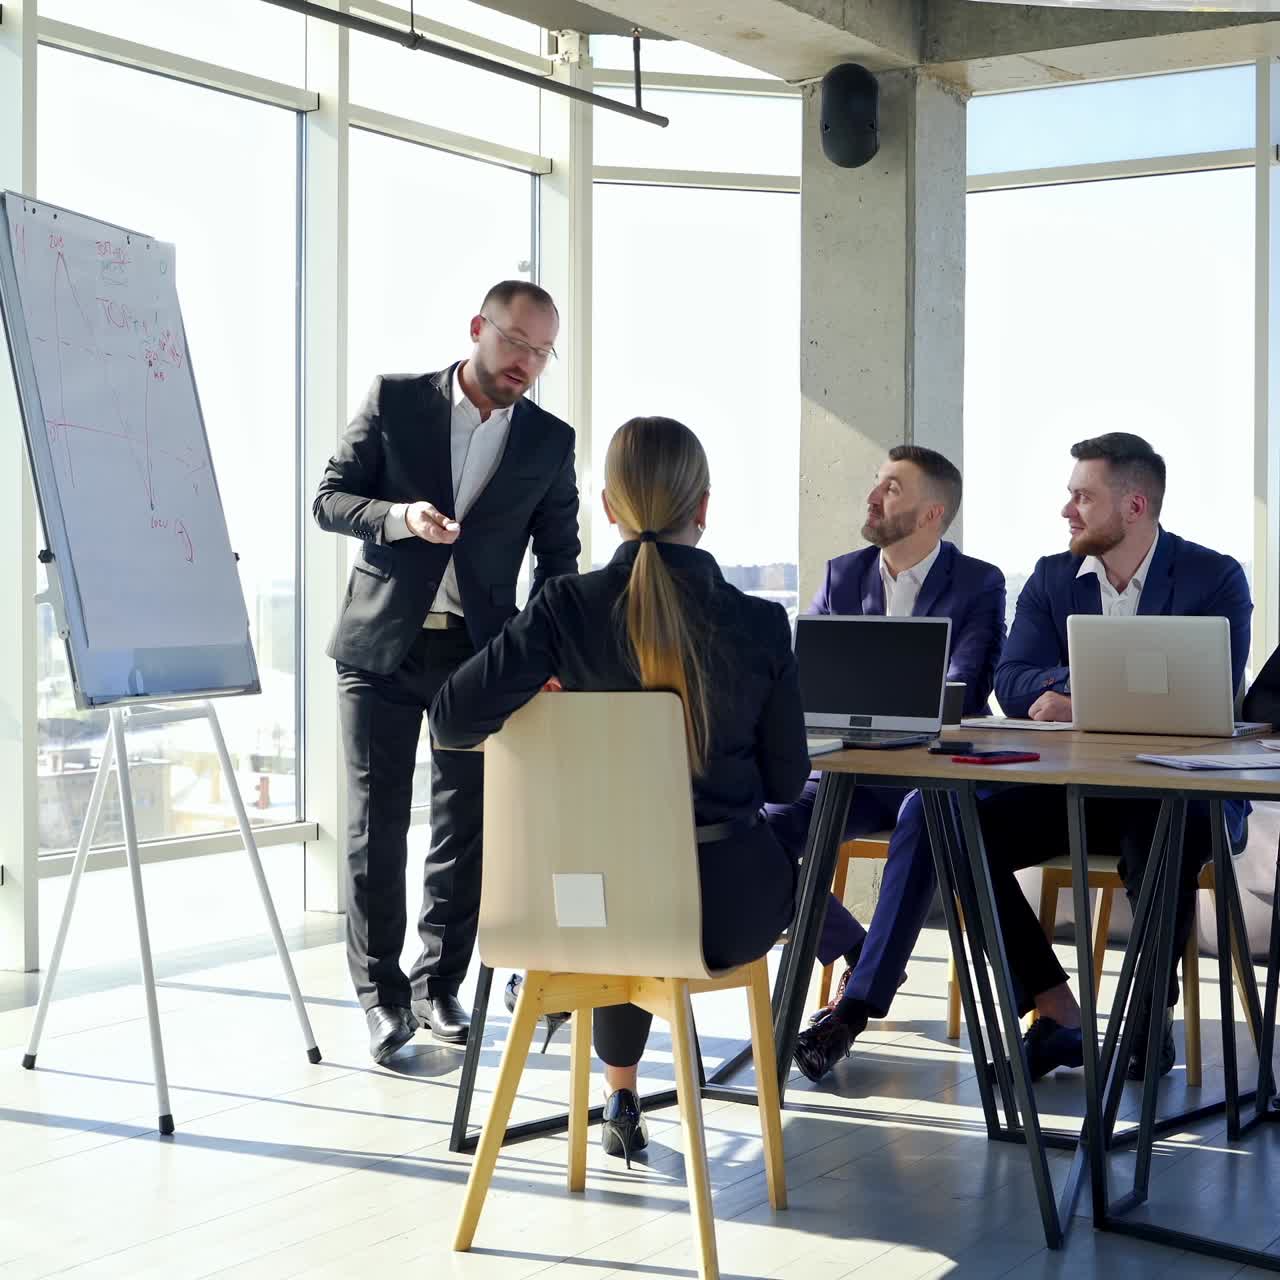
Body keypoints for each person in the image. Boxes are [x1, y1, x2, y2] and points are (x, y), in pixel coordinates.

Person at [430, 416, 809, 1163]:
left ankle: (622, 1091)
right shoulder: (760, 623)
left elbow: (451, 718)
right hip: (722, 914)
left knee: (621, 884)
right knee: (703, 869)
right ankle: (626, 1092)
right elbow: (788, 780)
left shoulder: (563, 610)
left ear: (608, 508)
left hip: (578, 905)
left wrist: (545, 697)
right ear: (703, 508)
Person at [314, 281, 580, 1064]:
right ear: (478, 328)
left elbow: (558, 562)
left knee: (465, 829)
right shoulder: (397, 401)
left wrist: (547, 657)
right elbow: (329, 499)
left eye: (541, 352)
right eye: (515, 343)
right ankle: (381, 999)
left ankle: (438, 987)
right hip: (380, 648)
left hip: (480, 656)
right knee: (376, 825)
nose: (526, 363)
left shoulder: (548, 440)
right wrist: (400, 519)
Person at [979, 432, 1252, 1081]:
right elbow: (1012, 680)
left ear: (1133, 506)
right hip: (1077, 788)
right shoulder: (1051, 578)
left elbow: (1213, 695)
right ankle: (1057, 1010)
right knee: (962, 829)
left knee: (1158, 836)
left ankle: (1144, 1024)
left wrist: (1071, 697)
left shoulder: (1213, 577)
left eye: (1082, 496)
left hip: (1177, 793)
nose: (1067, 510)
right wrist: (1080, 693)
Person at [767, 446, 1006, 1083]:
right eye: (876, 483)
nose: (874, 498)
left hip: (932, 773)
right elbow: (804, 674)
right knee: (755, 828)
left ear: (932, 513)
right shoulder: (841, 575)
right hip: (845, 771)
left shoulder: (980, 582)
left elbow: (969, 680)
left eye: (892, 488)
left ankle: (852, 1010)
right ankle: (855, 948)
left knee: (927, 814)